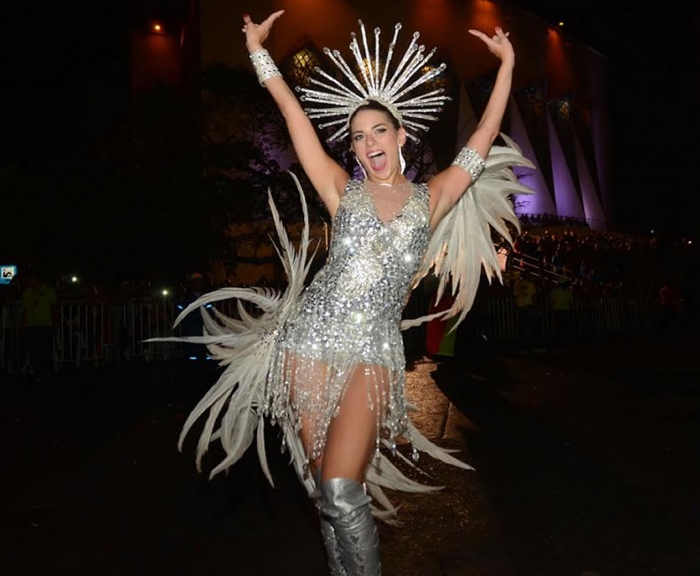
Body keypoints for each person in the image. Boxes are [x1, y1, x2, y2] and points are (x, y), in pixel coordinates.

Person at [156, 10, 529, 576]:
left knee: (339, 485)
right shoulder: (339, 189)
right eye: (357, 136)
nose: (368, 142)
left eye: (378, 130)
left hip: (372, 352)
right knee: (322, 492)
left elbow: (480, 141)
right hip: (307, 344)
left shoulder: (431, 198)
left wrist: (506, 67)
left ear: (401, 135)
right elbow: (292, 114)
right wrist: (258, 53)